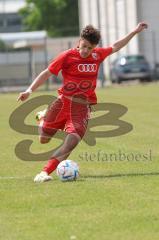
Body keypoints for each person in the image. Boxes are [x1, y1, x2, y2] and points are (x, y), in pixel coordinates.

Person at [17, 22, 148, 183]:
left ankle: (44, 172)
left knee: (72, 141)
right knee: (44, 139)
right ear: (79, 41)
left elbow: (115, 46)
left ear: (94, 48)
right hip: (62, 103)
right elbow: (46, 73)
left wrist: (134, 31)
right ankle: (43, 118)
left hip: (82, 108)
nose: (86, 50)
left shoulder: (97, 55)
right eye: (84, 46)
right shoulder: (67, 56)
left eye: (90, 48)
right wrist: (29, 91)